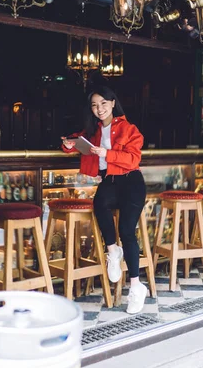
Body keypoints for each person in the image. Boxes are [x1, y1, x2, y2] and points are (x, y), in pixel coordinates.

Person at [61, 86, 148, 314]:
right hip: (110, 182)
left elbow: (133, 158)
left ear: (112, 103)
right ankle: (113, 250)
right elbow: (79, 142)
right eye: (94, 105)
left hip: (131, 182)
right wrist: (69, 145)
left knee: (127, 230)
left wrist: (106, 154)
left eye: (102, 104)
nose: (99, 109)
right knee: (99, 203)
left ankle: (137, 287)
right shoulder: (94, 131)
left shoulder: (129, 128)